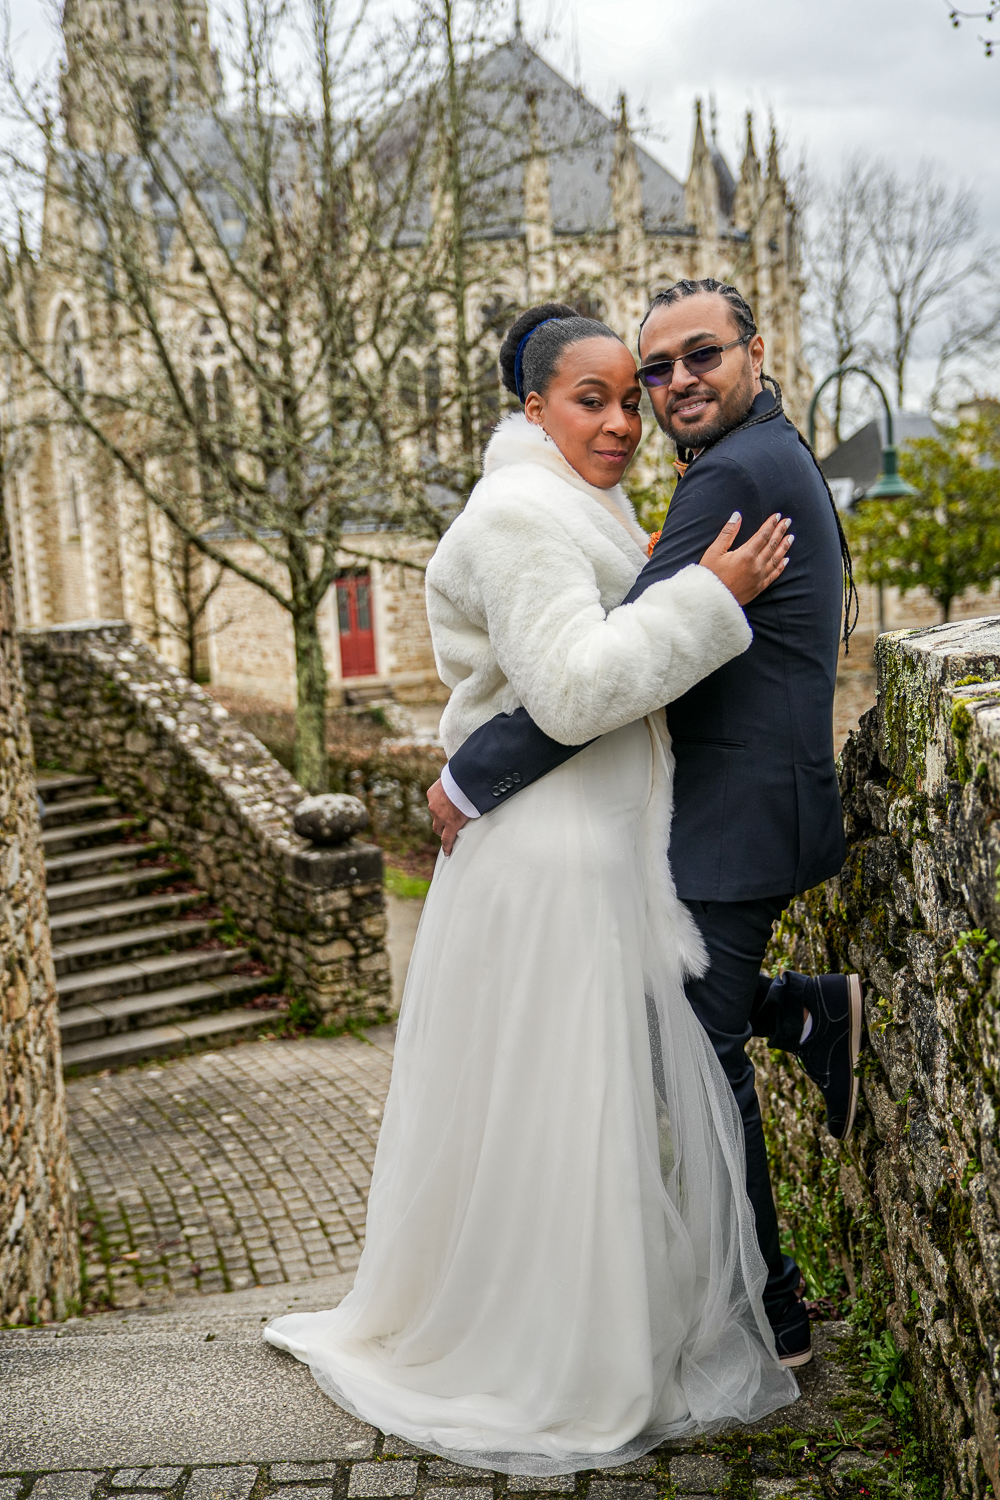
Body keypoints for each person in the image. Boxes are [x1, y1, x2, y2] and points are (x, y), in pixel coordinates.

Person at [265, 304, 799, 1471]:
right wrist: (708, 600)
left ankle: (599, 1337)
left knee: (590, 1107)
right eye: (589, 400)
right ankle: (560, 1358)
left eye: (627, 400)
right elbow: (569, 690)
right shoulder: (518, 514)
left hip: (591, 841)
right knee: (567, 1109)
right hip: (550, 852)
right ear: (533, 406)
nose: (621, 422)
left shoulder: (574, 503)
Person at [428, 280, 864, 1371]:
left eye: (694, 358)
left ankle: (773, 1310)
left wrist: (469, 776)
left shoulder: (730, 474)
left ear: (755, 350)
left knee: (686, 1056)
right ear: (537, 409)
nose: (669, 388)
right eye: (650, 371)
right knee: (662, 1025)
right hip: (734, 801)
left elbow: (602, 667)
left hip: (730, 813)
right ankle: (804, 1013)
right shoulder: (753, 456)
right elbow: (623, 643)